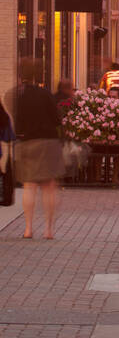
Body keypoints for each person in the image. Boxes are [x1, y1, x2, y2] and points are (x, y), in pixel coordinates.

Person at [11, 60, 64, 239]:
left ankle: (28, 229)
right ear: (37, 75)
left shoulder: (15, 95)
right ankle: (48, 230)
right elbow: (57, 119)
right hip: (48, 141)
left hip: (26, 142)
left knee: (29, 185)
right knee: (49, 186)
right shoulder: (45, 94)